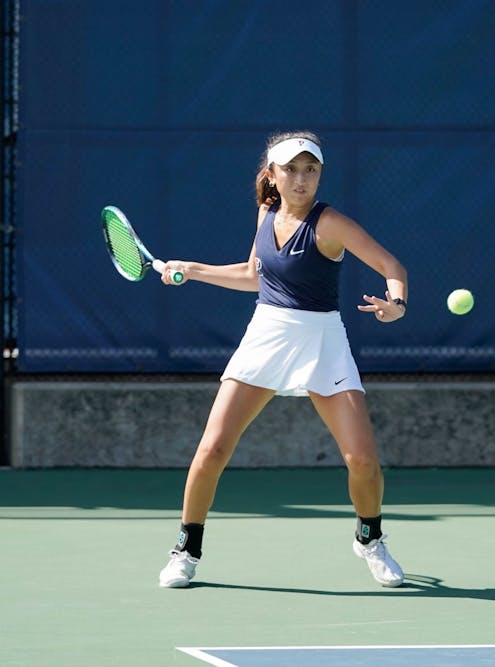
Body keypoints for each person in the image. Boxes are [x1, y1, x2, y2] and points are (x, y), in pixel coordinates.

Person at [156, 131, 408, 589]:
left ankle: (369, 538)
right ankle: (185, 549)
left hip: (323, 340)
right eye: (291, 169)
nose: (301, 178)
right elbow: (254, 275)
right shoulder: (266, 214)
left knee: (363, 461)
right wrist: (192, 270)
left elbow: (393, 267)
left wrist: (396, 304)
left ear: (319, 176)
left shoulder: (330, 223)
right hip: (267, 335)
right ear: (272, 175)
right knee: (212, 449)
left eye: (310, 170)